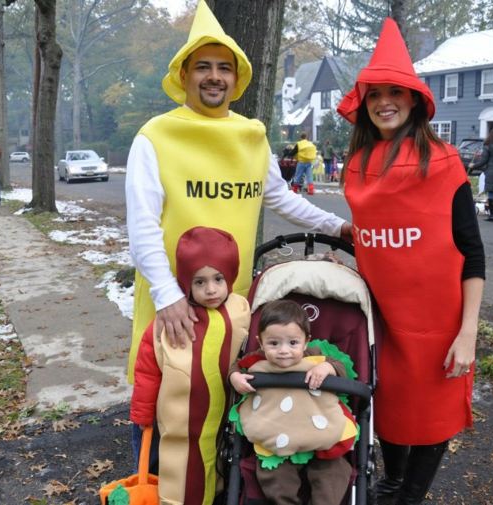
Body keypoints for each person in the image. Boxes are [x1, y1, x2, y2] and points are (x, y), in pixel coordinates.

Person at [125, 0, 350, 484]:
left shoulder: (253, 136)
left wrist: (339, 228)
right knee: (170, 409)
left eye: (223, 67)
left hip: (234, 305)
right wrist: (167, 297)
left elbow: (281, 198)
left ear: (237, 77)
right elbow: (141, 227)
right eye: (202, 67)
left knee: (235, 400)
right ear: (184, 75)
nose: (213, 77)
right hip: (176, 306)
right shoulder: (156, 136)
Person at [336, 17, 485, 504]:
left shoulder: (442, 162)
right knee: (389, 407)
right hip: (380, 319)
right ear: (365, 102)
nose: (385, 101)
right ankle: (393, 481)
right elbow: (375, 231)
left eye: (395, 92)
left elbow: (471, 250)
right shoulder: (357, 165)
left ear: (414, 100)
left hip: (437, 322)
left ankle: (409, 495)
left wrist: (468, 332)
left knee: (431, 413)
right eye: (375, 92)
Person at [130, 226, 250, 505]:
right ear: (186, 283)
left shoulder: (240, 311)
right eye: (199, 282)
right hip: (179, 424)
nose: (211, 289)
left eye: (218, 279)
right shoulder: (172, 319)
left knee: (220, 468)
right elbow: (148, 368)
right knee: (178, 475)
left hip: (224, 420)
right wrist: (143, 414)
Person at [228, 299, 356, 505]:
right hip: (277, 438)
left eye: (293, 343)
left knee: (334, 473)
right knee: (275, 479)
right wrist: (235, 377)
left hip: (321, 435)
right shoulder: (256, 360)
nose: (284, 351)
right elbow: (236, 367)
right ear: (260, 343)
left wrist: (327, 369)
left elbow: (342, 367)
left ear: (306, 341)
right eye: (273, 343)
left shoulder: (316, 354)